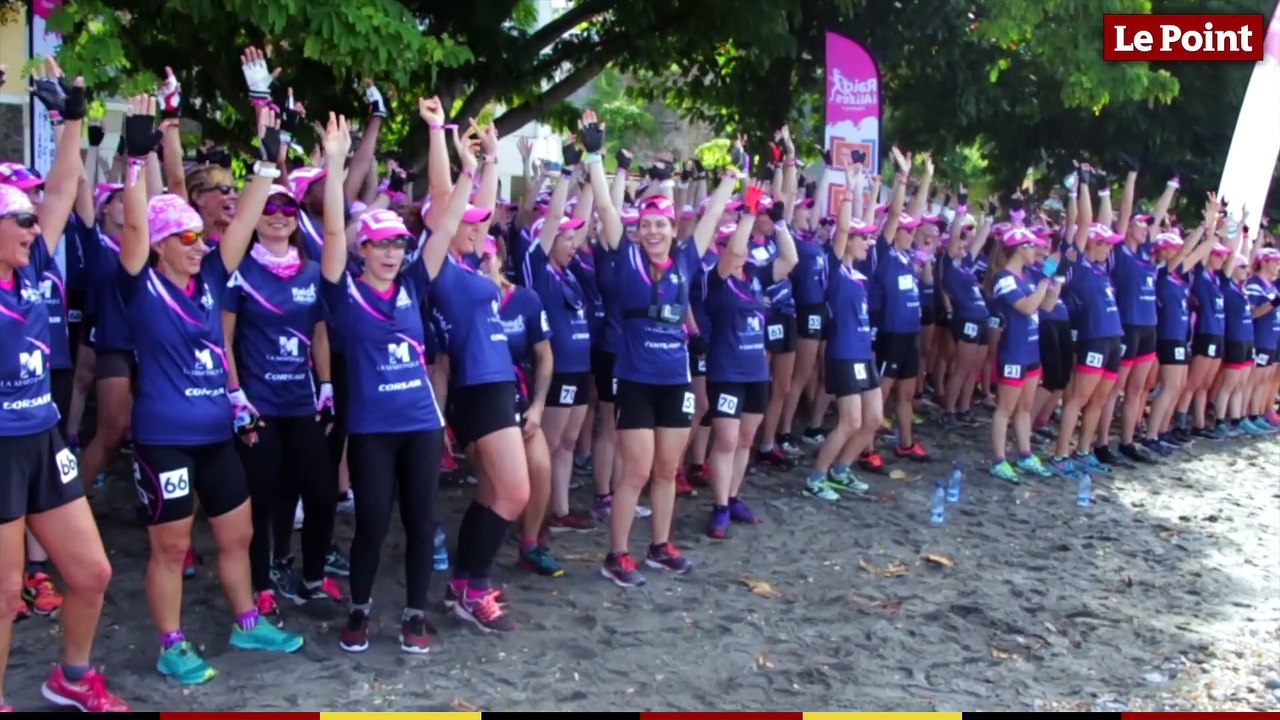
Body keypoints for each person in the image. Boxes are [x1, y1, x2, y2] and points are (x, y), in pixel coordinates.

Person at [119, 95, 303, 684]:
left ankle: (247, 624)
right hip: (165, 439)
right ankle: (172, 643)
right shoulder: (140, 284)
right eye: (189, 237)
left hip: (216, 433)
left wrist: (269, 165)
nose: (201, 244)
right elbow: (132, 226)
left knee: (239, 534)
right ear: (163, 243)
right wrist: (134, 161)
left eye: (204, 237)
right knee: (171, 548)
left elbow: (245, 219)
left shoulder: (211, 278)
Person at [0, 60, 130, 712]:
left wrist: (73, 120)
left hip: (42, 434)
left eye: (31, 221)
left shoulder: (32, 268)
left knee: (91, 572)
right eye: (17, 220)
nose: (32, 227)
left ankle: (71, 677)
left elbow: (59, 192)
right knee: (4, 589)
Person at [317, 114, 452, 653]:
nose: (392, 253)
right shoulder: (342, 292)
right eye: (381, 245)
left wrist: (463, 157)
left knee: (421, 521)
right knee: (372, 521)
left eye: (398, 244)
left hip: (420, 423)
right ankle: (360, 608)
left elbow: (443, 222)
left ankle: (416, 613)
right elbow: (330, 232)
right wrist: (334, 165)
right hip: (372, 427)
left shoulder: (413, 285)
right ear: (363, 251)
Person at [589, 112, 736, 587]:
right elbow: (609, 212)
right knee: (636, 471)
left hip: (675, 378)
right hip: (635, 379)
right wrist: (595, 158)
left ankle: (659, 546)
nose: (652, 231)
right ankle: (617, 554)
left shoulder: (686, 261)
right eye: (645, 224)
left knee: (668, 469)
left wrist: (733, 177)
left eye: (660, 224)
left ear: (673, 229)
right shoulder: (624, 255)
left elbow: (713, 217)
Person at [222, 182, 341, 615]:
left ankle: (310, 578)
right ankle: (261, 585)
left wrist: (326, 384)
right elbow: (224, 337)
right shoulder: (239, 271)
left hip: (302, 400)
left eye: (287, 206)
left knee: (322, 493)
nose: (278, 214)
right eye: (268, 206)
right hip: (258, 405)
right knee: (261, 497)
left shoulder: (311, 271)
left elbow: (320, 332)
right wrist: (235, 394)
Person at [703, 185, 797, 536]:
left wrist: (779, 223)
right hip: (726, 370)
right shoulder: (716, 279)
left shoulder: (756, 276)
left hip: (756, 370)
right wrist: (747, 215)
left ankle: (733, 495)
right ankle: (719, 506)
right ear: (723, 248)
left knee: (745, 439)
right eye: (733, 246)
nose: (741, 252)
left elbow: (790, 261)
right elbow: (733, 254)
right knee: (726, 439)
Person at [987, 227, 1057, 482]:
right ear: (1020, 248)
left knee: (1025, 406)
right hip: (1014, 351)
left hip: (1030, 350)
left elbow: (1046, 306)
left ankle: (1025, 454)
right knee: (1005, 407)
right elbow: (1027, 307)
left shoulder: (1028, 275)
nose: (1036, 251)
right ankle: (998, 460)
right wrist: (1041, 286)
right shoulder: (1004, 278)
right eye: (1032, 246)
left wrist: (1053, 283)